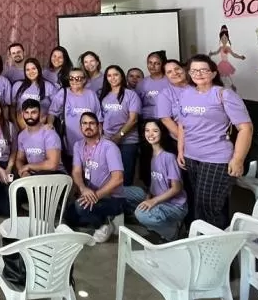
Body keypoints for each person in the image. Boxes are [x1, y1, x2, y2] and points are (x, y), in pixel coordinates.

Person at [176, 54, 253, 228]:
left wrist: (238, 159)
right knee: (203, 203)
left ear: (213, 73)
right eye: (194, 70)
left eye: (203, 70)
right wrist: (181, 150)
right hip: (191, 157)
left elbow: (245, 128)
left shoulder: (223, 95)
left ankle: (216, 249)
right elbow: (182, 124)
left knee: (208, 207)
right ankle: (207, 243)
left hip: (216, 158)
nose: (198, 74)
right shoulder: (186, 94)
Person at [65, 112, 125, 243]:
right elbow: (76, 171)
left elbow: (118, 178)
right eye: (84, 124)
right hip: (90, 193)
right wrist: (83, 188)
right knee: (69, 215)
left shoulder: (109, 147)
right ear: (80, 127)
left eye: (92, 123)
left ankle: (106, 223)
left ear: (99, 126)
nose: (88, 126)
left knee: (80, 207)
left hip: (111, 197)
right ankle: (107, 217)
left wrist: (96, 195)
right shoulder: (78, 145)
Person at [123, 120, 187, 241]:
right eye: (147, 131)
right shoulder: (150, 154)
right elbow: (155, 182)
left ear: (162, 133)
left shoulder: (169, 157)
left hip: (174, 205)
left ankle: (173, 232)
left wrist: (153, 201)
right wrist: (149, 197)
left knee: (141, 214)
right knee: (121, 191)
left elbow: (176, 188)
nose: (150, 134)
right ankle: (155, 225)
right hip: (156, 197)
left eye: (155, 131)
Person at [48, 67, 103, 166]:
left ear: (84, 80)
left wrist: (99, 141)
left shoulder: (91, 95)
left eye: (78, 78)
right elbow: (52, 112)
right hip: (68, 144)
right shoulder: (63, 93)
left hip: (89, 144)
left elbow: (98, 119)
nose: (74, 81)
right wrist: (50, 123)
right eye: (71, 78)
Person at [99, 64, 141, 183]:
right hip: (107, 141)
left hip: (128, 141)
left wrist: (119, 136)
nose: (113, 78)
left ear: (121, 76)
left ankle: (126, 201)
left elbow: (133, 119)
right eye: (109, 76)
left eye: (115, 75)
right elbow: (101, 119)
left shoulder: (130, 94)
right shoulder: (104, 96)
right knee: (109, 177)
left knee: (126, 177)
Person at [137, 51, 169, 184]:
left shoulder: (169, 81)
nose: (152, 66)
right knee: (147, 156)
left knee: (165, 155)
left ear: (162, 65)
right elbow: (138, 105)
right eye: (150, 63)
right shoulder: (142, 83)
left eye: (156, 63)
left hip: (166, 123)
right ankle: (148, 185)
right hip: (147, 124)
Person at [15, 99, 64, 176]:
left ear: (40, 113)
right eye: (27, 113)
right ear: (22, 114)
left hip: (55, 175)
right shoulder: (21, 136)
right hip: (34, 175)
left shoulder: (50, 134)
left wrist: (28, 167)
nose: (30, 116)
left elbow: (52, 165)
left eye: (33, 112)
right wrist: (23, 172)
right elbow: (19, 159)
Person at [12, 57, 57, 126]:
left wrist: (49, 123)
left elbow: (54, 109)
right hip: (21, 126)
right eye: (27, 70)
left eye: (33, 68)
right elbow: (12, 108)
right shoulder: (17, 85)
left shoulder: (49, 86)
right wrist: (15, 125)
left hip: (42, 127)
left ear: (39, 69)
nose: (31, 72)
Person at [156, 58, 191, 142]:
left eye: (177, 69)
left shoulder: (197, 87)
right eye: (169, 72)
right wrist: (186, 141)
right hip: (182, 140)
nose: (175, 73)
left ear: (183, 69)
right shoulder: (165, 94)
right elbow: (166, 120)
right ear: (166, 76)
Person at [210, 25, 245, 91]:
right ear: (220, 39)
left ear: (228, 39)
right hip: (221, 64)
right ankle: (223, 86)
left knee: (227, 75)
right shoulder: (221, 47)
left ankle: (231, 85)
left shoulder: (228, 48)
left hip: (226, 64)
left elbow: (234, 54)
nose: (224, 40)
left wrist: (240, 57)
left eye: (225, 38)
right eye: (222, 39)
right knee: (222, 76)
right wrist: (212, 53)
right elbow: (216, 52)